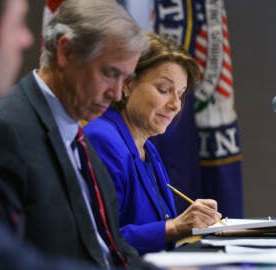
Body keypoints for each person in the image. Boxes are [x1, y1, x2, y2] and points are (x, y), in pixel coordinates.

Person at [0, 0, 165, 270]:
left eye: (126, 79)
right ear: (66, 51)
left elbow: (110, 247)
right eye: (110, 74)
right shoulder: (2, 128)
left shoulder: (78, 135)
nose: (117, 94)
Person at [84, 32, 222, 255]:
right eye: (164, 90)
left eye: (181, 93)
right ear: (127, 84)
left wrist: (194, 225)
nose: (175, 105)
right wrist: (176, 226)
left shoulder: (148, 148)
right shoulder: (102, 140)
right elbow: (101, 241)